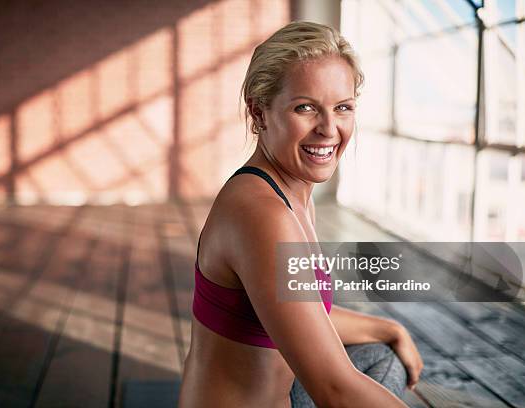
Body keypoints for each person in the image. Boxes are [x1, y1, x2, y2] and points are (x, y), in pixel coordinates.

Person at [178, 21, 423, 408]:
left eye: (342, 107)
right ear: (259, 112)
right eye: (305, 108)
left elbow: (302, 312)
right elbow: (335, 391)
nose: (329, 129)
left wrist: (388, 327)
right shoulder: (261, 214)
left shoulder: (292, 193)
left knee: (380, 353)